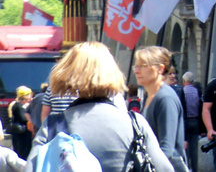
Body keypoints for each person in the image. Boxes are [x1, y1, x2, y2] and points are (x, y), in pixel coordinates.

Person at [27, 41, 173, 172]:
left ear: (66, 73)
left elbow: (31, 168)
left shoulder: (52, 126)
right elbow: (164, 169)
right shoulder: (135, 124)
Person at [134, 46, 189, 172]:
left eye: (142, 65)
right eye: (136, 66)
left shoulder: (165, 98)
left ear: (160, 68)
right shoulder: (152, 96)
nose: (136, 71)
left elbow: (167, 149)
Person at [182, 71, 203, 172]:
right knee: (194, 149)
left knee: (185, 147)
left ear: (184, 81)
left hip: (186, 121)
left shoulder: (183, 92)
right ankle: (195, 169)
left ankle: (186, 168)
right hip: (196, 120)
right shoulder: (197, 91)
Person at [9, 87, 32, 160]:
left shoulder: (21, 105)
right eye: (29, 95)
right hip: (21, 133)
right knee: (22, 152)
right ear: (24, 96)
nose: (31, 97)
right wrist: (29, 116)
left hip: (22, 133)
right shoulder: (18, 106)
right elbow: (23, 119)